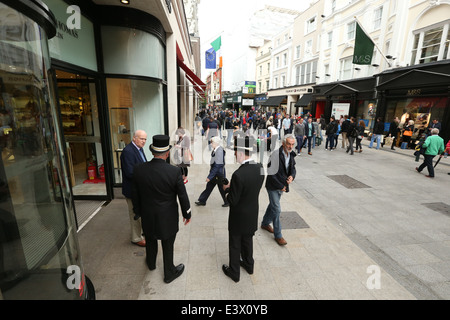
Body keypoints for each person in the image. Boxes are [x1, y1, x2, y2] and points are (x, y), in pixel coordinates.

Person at [132, 135, 191, 283]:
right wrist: (187, 213)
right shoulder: (174, 172)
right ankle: (169, 272)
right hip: (167, 216)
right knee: (168, 243)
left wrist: (137, 211)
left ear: (152, 152)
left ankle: (151, 264)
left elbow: (135, 194)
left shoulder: (139, 169)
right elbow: (182, 196)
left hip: (148, 214)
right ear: (167, 153)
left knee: (150, 239)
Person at [221, 136, 265, 282]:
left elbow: (232, 201)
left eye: (235, 152)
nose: (234, 155)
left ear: (240, 153)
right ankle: (249, 264)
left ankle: (234, 272)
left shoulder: (238, 175)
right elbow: (250, 190)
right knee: (247, 240)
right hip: (252, 213)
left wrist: (227, 190)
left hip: (238, 217)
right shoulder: (260, 167)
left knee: (235, 243)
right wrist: (233, 187)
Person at [261, 134, 296, 246]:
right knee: (277, 209)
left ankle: (265, 223)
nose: (290, 146)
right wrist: (280, 185)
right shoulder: (275, 155)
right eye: (289, 144)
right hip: (273, 186)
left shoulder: (291, 155)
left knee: (273, 205)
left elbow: (293, 168)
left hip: (283, 186)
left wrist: (292, 176)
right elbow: (271, 173)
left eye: (292, 144)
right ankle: (278, 235)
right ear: (283, 143)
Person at [120, 130, 147, 247]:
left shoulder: (139, 148)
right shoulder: (128, 151)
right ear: (134, 138)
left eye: (145, 139)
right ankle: (136, 238)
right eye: (141, 139)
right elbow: (130, 173)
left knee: (140, 212)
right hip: (132, 190)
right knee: (134, 214)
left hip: (140, 189)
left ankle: (141, 233)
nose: (144, 141)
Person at [195, 136, 229, 207]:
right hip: (216, 174)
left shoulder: (219, 151)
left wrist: (209, 177)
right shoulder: (216, 149)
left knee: (221, 188)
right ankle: (202, 200)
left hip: (218, 174)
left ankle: (227, 201)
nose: (210, 144)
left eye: (212, 142)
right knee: (209, 187)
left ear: (216, 143)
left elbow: (217, 166)